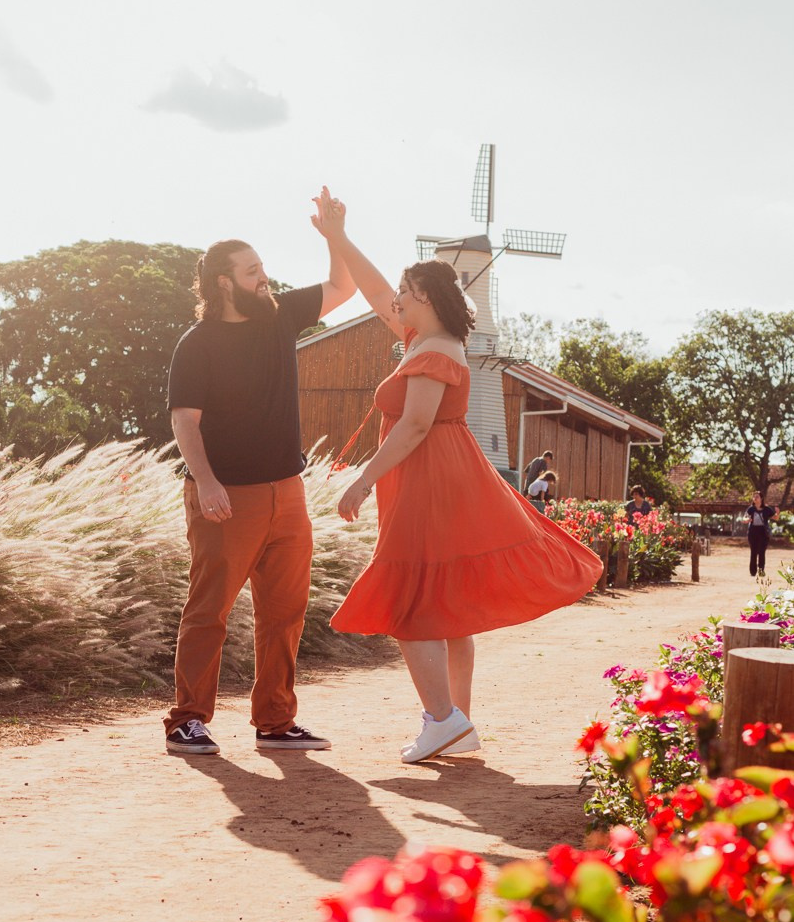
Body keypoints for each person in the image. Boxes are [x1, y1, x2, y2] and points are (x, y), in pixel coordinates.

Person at [317, 212, 602, 764]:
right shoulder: (426, 339)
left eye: (405, 290)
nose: (395, 297)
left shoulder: (432, 351)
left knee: (414, 602)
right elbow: (374, 290)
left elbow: (416, 425)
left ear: (424, 295)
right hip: (439, 476)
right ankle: (457, 723)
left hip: (430, 479)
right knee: (445, 605)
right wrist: (339, 238)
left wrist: (362, 479)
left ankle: (444, 720)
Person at [163, 190, 357, 757]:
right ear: (223, 282)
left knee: (285, 612)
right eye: (253, 272)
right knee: (209, 610)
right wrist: (206, 482)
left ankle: (275, 721)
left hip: (287, 493)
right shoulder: (197, 345)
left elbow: (342, 288)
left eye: (263, 268)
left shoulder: (280, 317)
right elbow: (185, 421)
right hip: (227, 497)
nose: (264, 279)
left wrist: (335, 238)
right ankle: (187, 720)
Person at [745, 490, 776, 578]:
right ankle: (753, 572)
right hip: (753, 532)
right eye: (754, 496)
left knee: (762, 552)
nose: (755, 498)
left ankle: (761, 571)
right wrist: (747, 520)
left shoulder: (767, 509)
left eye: (757, 496)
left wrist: (778, 512)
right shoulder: (751, 509)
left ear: (761, 498)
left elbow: (775, 517)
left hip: (763, 532)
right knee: (753, 552)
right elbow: (745, 517)